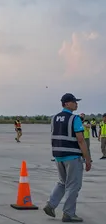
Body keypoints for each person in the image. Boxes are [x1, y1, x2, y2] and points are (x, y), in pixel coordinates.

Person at [43, 93, 91, 222]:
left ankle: (50, 205)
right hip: (72, 156)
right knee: (73, 185)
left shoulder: (54, 118)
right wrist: (87, 158)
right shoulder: (74, 119)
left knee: (62, 182)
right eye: (74, 101)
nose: (76, 103)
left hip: (59, 156)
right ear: (66, 104)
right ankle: (68, 213)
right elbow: (81, 140)